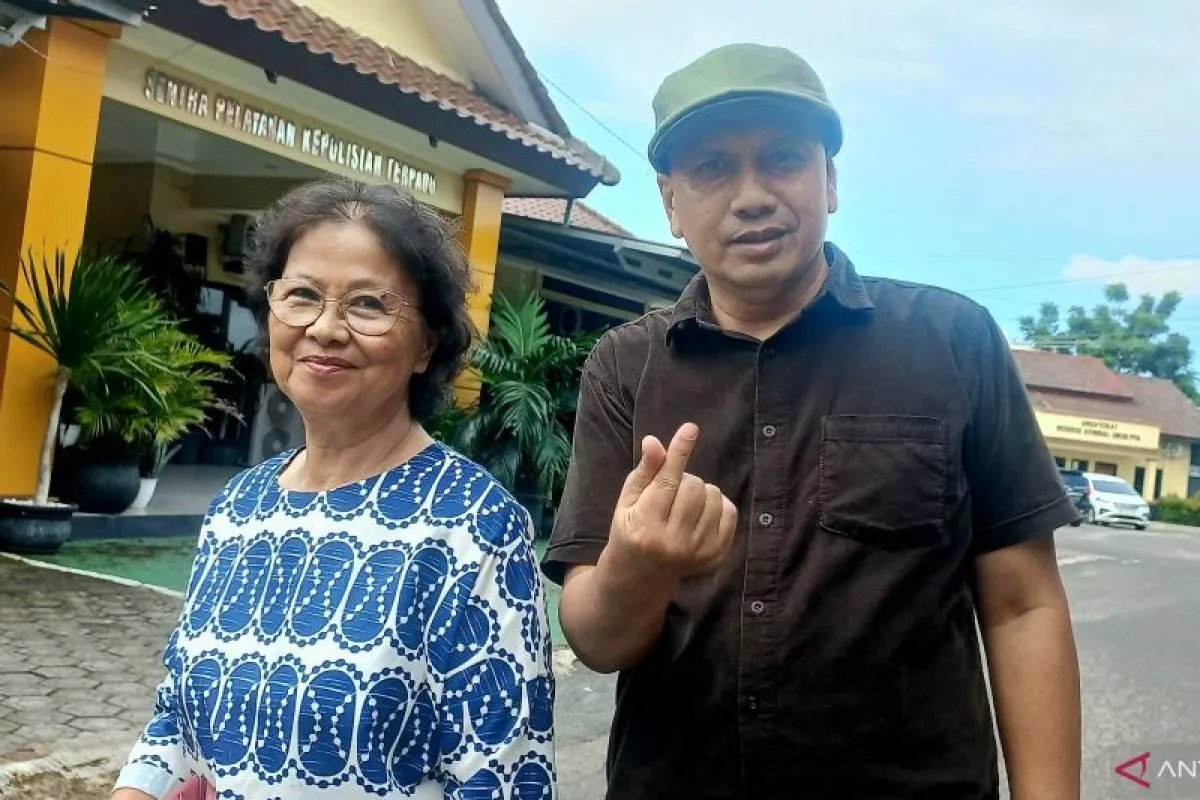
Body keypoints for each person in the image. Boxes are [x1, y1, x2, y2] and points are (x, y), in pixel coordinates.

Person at [543, 43, 1082, 800]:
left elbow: (1024, 606)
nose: (753, 196)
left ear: (828, 180)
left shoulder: (953, 342)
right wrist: (639, 566)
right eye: (714, 168)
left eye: (784, 158)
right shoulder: (626, 366)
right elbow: (599, 644)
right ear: (670, 204)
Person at [113, 177, 557, 800]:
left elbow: (506, 783)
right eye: (301, 295)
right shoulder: (239, 507)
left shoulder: (472, 525)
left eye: (368, 304)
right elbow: (176, 721)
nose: (324, 328)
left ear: (427, 344)